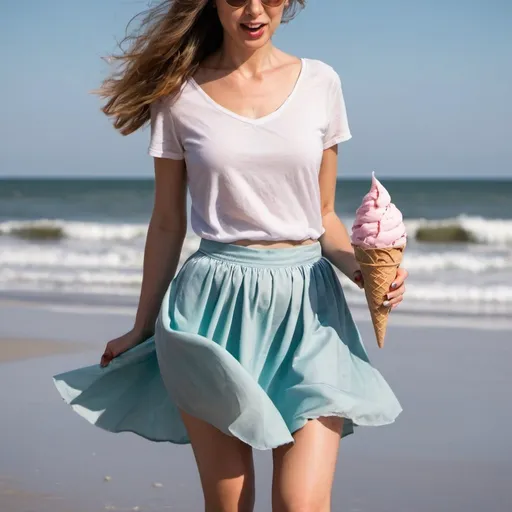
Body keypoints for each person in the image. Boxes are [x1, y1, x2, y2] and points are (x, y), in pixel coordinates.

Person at [53, 1, 408, 511]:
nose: (255, 10)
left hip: (309, 309)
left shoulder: (321, 83)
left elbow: (324, 214)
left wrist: (363, 272)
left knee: (299, 503)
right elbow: (168, 223)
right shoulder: (177, 95)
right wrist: (141, 325)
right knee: (229, 506)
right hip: (211, 313)